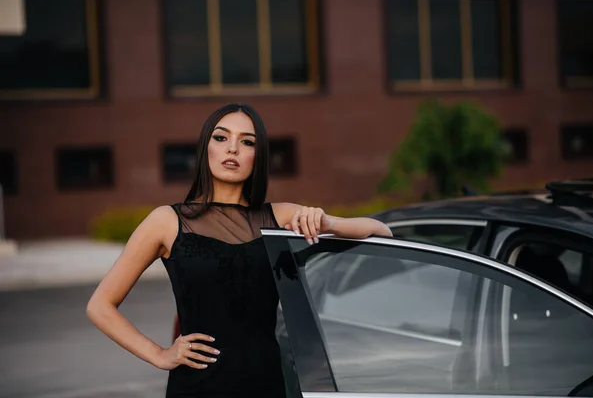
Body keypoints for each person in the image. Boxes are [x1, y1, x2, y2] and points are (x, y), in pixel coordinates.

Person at [86, 103, 392, 397]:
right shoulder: (166, 221)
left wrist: (326, 221)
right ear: (206, 147)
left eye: (247, 142)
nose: (232, 149)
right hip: (197, 388)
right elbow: (100, 306)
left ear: (258, 157)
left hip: (266, 385)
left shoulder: (281, 217)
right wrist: (159, 354)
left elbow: (381, 231)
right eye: (221, 138)